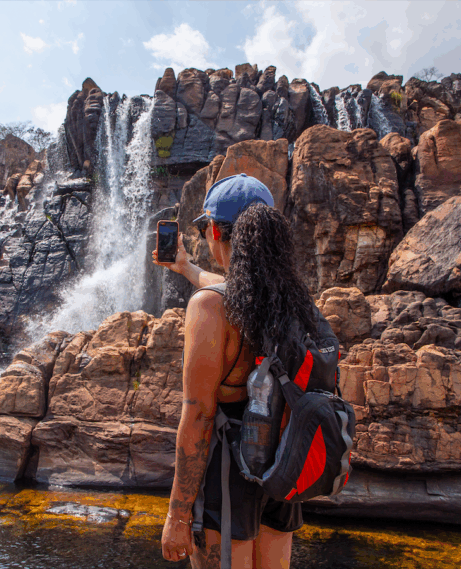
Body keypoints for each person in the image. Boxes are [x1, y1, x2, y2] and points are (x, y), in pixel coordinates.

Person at [153, 174, 321, 569]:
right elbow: (230, 286)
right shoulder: (291, 299)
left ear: (213, 229)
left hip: (229, 473)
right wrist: (187, 268)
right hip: (283, 460)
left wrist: (177, 517)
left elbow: (198, 415)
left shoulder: (210, 308)